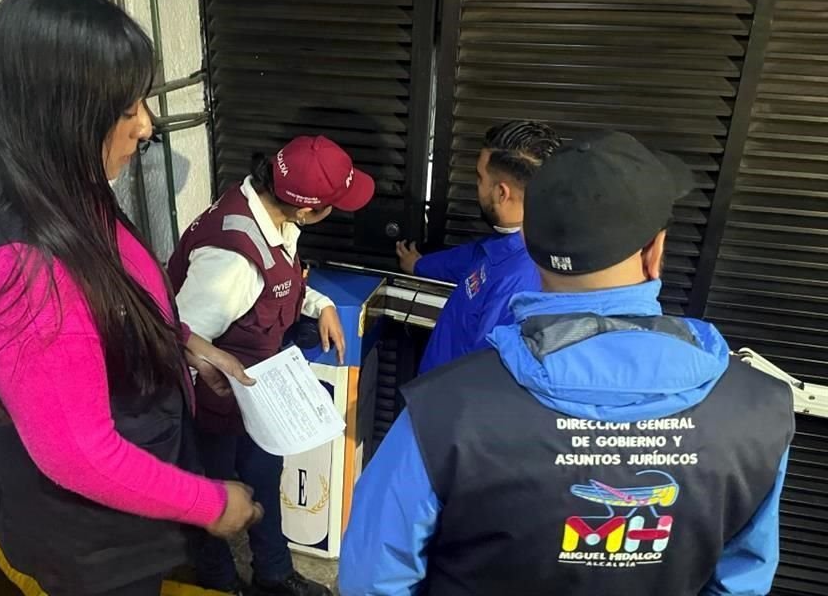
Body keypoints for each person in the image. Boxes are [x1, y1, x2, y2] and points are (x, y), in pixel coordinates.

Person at [339, 131, 795, 596]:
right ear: (656, 253)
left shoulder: (440, 412)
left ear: (531, 250)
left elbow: (373, 578)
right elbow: (741, 580)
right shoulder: (760, 410)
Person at [0, 0, 263, 596]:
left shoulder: (72, 193)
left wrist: (187, 344)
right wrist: (213, 502)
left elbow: (114, 301)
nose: (147, 124)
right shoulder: (20, 269)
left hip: (131, 518)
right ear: (60, 114)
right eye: (127, 106)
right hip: (97, 547)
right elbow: (79, 453)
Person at [167, 135, 375, 596]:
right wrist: (210, 373)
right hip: (212, 406)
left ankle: (274, 577)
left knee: (265, 480)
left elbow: (281, 278)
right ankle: (221, 585)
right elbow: (177, 335)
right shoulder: (230, 261)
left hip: (257, 397)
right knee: (214, 505)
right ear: (308, 210)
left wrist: (318, 303)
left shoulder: (267, 211)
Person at [396, 121, 560, 374]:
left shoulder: (522, 281)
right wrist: (419, 265)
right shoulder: (502, 243)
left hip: (448, 405)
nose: (477, 186)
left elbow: (484, 374)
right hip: (433, 392)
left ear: (502, 193)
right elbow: (468, 258)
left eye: (480, 177)